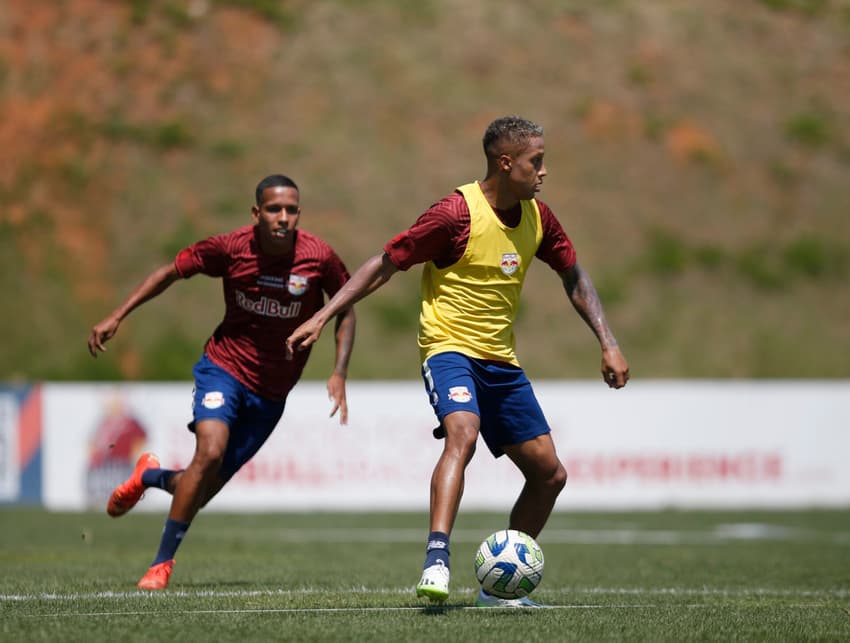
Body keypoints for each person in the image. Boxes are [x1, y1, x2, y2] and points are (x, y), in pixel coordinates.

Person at [286, 116, 629, 608]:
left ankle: (498, 589)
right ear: (505, 162)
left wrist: (607, 340)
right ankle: (437, 559)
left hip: (501, 363)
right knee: (463, 432)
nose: (544, 171)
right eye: (537, 161)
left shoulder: (539, 218)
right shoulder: (454, 215)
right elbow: (385, 263)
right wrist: (323, 315)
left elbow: (573, 275)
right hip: (448, 350)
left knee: (550, 476)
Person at [88, 174, 356, 590]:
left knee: (199, 486)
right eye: (273, 209)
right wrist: (118, 315)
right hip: (224, 369)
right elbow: (170, 273)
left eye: (290, 210)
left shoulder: (318, 257)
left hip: (271, 394)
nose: (282, 218)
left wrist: (339, 371)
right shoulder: (231, 249)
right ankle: (161, 565)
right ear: (256, 213)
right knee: (209, 451)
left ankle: (147, 477)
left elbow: (347, 309)